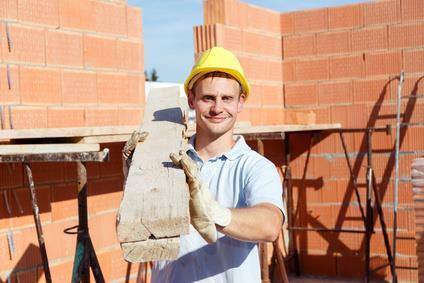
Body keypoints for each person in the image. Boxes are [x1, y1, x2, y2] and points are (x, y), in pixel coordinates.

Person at [145, 46, 286, 283]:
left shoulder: (255, 167)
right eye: (208, 98)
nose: (217, 108)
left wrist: (215, 213)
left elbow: (270, 225)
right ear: (191, 100)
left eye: (227, 98)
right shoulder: (167, 161)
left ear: (240, 102)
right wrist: (135, 176)